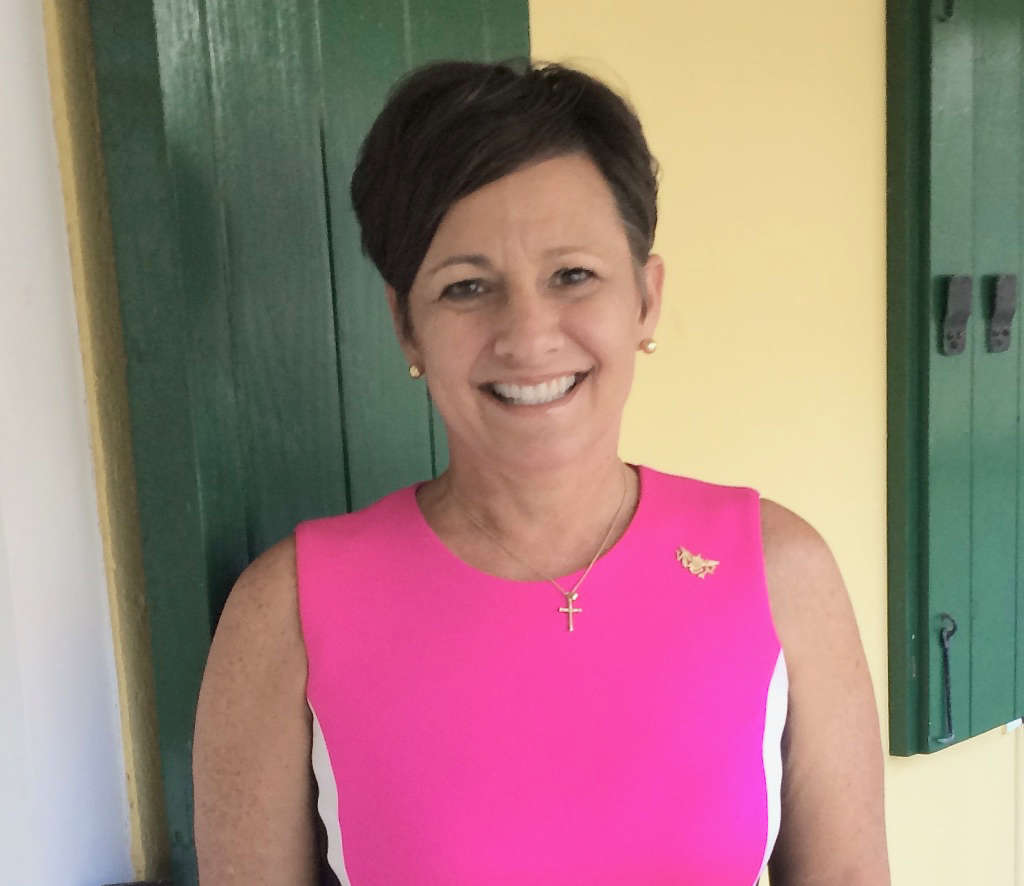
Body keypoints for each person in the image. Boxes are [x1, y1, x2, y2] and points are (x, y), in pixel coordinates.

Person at [192, 59, 890, 885]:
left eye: (572, 276)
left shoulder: (780, 574)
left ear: (645, 300)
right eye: (467, 287)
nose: (528, 336)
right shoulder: (287, 610)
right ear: (406, 325)